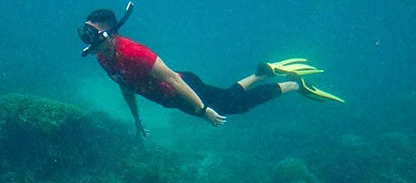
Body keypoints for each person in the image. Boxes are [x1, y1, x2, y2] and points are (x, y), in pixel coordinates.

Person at [78, 3, 344, 137]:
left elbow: (171, 77)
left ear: (108, 33)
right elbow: (126, 87)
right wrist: (137, 120)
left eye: (90, 33)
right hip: (176, 96)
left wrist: (203, 110)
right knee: (228, 97)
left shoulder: (132, 52)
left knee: (234, 106)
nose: (86, 40)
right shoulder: (104, 58)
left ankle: (294, 84)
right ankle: (263, 73)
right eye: (84, 33)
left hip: (183, 90)